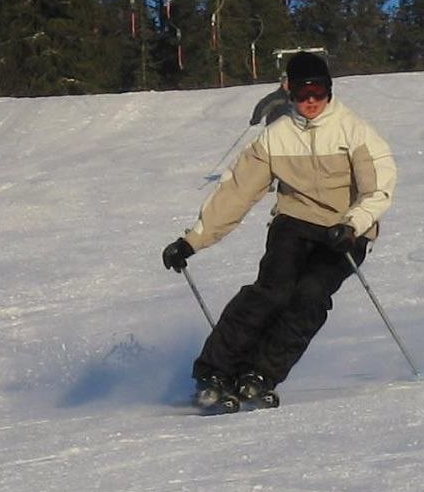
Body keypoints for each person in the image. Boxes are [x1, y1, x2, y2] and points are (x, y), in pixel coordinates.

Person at [162, 51, 397, 411]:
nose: (311, 101)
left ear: (329, 90)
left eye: (318, 91)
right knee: (270, 292)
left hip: (344, 232)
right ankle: (214, 371)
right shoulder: (276, 137)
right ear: (289, 93)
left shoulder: (355, 131)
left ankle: (260, 374)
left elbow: (377, 190)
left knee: (310, 296)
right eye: (302, 93)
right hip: (294, 223)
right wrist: (192, 241)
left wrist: (352, 225)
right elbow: (236, 193)